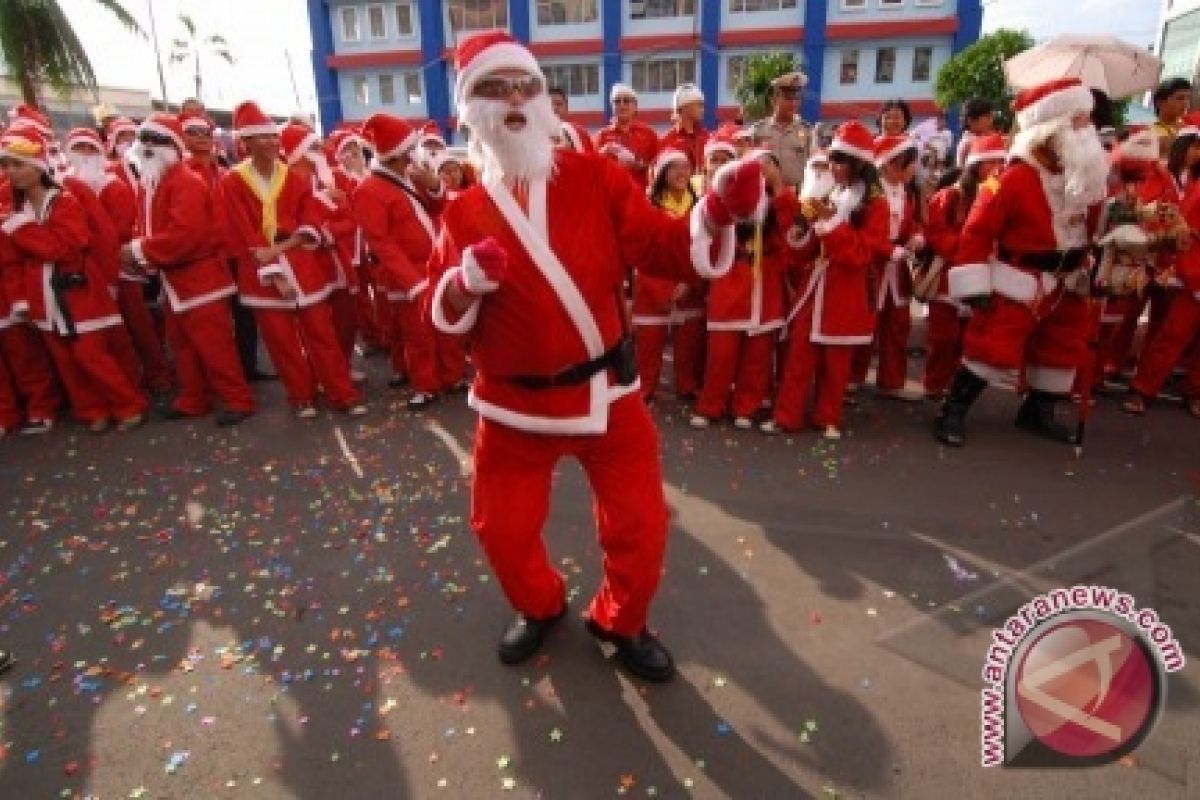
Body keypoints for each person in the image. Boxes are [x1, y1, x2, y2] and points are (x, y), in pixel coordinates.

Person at [427, 31, 762, 682]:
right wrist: (462, 282)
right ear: (472, 108)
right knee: (501, 529)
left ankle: (621, 619)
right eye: (497, 89)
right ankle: (541, 603)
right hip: (512, 406)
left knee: (641, 525)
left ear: (546, 98)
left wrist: (717, 212)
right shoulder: (462, 212)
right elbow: (439, 319)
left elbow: (665, 249)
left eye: (526, 86)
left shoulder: (596, 175)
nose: (517, 100)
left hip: (609, 393)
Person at [935, 78, 1110, 447]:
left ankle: (1037, 411)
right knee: (991, 348)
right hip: (1020, 279)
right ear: (1051, 131)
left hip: (1069, 281)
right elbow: (977, 232)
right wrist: (975, 284)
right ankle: (952, 409)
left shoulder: (1083, 179)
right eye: (1077, 122)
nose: (1085, 131)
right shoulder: (1010, 179)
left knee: (1060, 351)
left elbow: (1096, 227)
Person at [218, 101, 366, 419]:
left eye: (273, 136)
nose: (272, 143)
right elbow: (244, 233)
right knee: (281, 341)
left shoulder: (293, 179)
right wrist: (274, 270)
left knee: (321, 334)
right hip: (260, 272)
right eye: (262, 137)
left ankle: (342, 393)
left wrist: (280, 249)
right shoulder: (232, 182)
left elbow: (310, 222)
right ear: (245, 143)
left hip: (301, 263)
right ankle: (301, 396)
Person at [0, 128, 148, 433]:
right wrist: (20, 300)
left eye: (18, 165)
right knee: (65, 359)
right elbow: (12, 261)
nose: (11, 173)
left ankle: (128, 404)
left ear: (39, 168)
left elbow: (67, 247)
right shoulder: (17, 212)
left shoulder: (64, 202)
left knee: (91, 354)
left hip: (78, 291)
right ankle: (92, 410)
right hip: (41, 294)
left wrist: (23, 230)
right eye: (7, 166)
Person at [121, 114, 255, 426]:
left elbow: (186, 236)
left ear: (172, 146)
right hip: (174, 278)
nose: (146, 148)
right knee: (182, 345)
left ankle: (238, 399)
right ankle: (194, 399)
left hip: (200, 277)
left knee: (215, 344)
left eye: (154, 142)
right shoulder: (153, 182)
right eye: (144, 142)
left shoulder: (185, 183)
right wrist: (143, 251)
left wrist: (140, 250)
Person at [763, 123, 887, 439]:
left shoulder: (876, 205)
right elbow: (811, 248)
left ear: (859, 164)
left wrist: (831, 225)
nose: (834, 168)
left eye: (841, 161)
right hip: (816, 286)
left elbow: (864, 253)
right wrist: (800, 236)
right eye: (832, 160)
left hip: (845, 291)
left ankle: (827, 416)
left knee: (837, 361)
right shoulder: (832, 193)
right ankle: (786, 416)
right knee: (799, 356)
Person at [354, 113, 454, 407]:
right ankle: (425, 385)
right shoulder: (368, 190)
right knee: (416, 334)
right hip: (406, 274)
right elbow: (381, 242)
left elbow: (439, 206)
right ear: (394, 155)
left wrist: (434, 183)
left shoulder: (411, 175)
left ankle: (445, 376)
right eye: (408, 151)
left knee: (437, 329)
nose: (414, 155)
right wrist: (412, 282)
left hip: (431, 265)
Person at [691, 148, 790, 429]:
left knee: (757, 356)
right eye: (759, 164)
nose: (764, 169)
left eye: (771, 163)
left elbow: (787, 241)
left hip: (764, 284)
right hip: (730, 281)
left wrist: (779, 188)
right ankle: (711, 405)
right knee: (721, 354)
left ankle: (746, 406)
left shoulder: (779, 202)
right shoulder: (723, 202)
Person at [181, 110, 272, 383]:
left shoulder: (223, 172)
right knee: (214, 323)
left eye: (205, 132)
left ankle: (248, 367)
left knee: (244, 313)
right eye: (193, 133)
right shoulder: (182, 174)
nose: (201, 138)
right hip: (207, 258)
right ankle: (220, 380)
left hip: (234, 253)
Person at [1121, 119, 1200, 419]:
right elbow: (1179, 227)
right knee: (1171, 334)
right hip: (1188, 270)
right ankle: (1142, 389)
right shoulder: (1177, 180)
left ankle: (1194, 391)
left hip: (1185, 267)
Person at [921, 135, 1008, 399]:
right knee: (943, 338)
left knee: (966, 340)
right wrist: (966, 247)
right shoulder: (949, 196)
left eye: (1000, 163)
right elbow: (935, 233)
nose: (998, 169)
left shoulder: (998, 198)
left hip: (980, 278)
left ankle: (953, 388)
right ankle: (934, 384)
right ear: (976, 166)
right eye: (992, 163)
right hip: (947, 278)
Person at [279, 123, 362, 372]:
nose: (319, 151)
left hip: (337, 262)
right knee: (316, 326)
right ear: (297, 152)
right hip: (307, 264)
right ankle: (323, 373)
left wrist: (327, 231)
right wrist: (320, 231)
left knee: (346, 319)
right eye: (312, 147)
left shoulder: (333, 178)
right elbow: (288, 226)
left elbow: (351, 219)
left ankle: (342, 366)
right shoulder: (283, 183)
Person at [849, 134, 924, 400]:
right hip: (875, 266)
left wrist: (915, 236)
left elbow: (910, 222)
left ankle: (892, 381)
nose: (913, 168)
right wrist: (890, 250)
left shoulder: (907, 192)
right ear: (890, 164)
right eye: (908, 162)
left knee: (897, 324)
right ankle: (852, 377)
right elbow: (867, 234)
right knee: (865, 324)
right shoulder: (869, 193)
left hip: (897, 268)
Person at [633, 148, 701, 402]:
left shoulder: (699, 206)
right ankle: (645, 388)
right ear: (662, 173)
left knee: (688, 343)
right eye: (674, 167)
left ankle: (687, 385)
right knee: (650, 344)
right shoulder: (646, 206)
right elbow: (641, 253)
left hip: (689, 284)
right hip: (653, 284)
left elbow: (704, 248)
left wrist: (688, 282)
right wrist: (663, 289)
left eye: (685, 166)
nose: (681, 172)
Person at [749, 71, 812, 189]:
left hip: (795, 194)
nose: (793, 103)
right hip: (766, 193)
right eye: (788, 98)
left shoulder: (807, 131)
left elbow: (811, 163)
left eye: (797, 98)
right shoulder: (758, 130)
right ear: (774, 99)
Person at [594, 83, 659, 188]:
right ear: (612, 106)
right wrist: (602, 154)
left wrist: (640, 165)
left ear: (635, 106)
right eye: (617, 101)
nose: (622, 105)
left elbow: (660, 167)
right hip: (613, 196)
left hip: (641, 195)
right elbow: (594, 170)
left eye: (626, 101)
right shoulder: (602, 136)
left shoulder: (648, 134)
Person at [660, 82, 710, 171]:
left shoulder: (707, 137)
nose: (703, 109)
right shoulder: (667, 141)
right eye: (699, 105)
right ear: (684, 107)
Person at [1150, 77, 1192, 161]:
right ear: (1160, 102)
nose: (1186, 103)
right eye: (1180, 98)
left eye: (1188, 98)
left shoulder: (1189, 130)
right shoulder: (1149, 132)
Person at [548, 87, 595, 154]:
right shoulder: (535, 136)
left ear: (566, 107)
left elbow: (591, 159)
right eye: (549, 105)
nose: (554, 108)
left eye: (559, 104)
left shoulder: (579, 133)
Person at [955, 98, 996, 169]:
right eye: (987, 117)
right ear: (971, 120)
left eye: (991, 116)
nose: (991, 120)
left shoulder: (980, 138)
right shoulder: (968, 143)